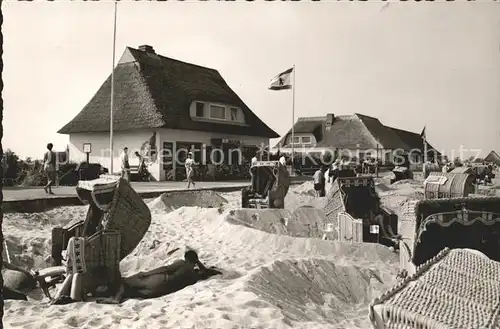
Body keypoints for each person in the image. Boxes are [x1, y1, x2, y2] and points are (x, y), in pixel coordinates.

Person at [97, 250, 221, 304]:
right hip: (162, 290)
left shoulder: (181, 263)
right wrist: (198, 263)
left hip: (161, 279)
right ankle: (112, 295)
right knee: (131, 291)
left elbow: (166, 269)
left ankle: (115, 298)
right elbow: (206, 271)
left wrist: (147, 273)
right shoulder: (195, 276)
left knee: (126, 282)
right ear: (195, 261)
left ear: (186, 258)